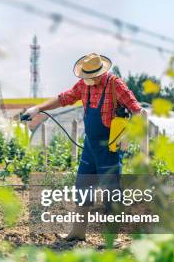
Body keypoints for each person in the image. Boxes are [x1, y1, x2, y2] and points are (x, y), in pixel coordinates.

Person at [21, 53, 146, 240]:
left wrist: (128, 134)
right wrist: (38, 108)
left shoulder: (115, 85)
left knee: (111, 191)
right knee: (83, 185)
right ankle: (78, 232)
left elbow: (140, 112)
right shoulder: (84, 86)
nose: (88, 81)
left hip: (109, 147)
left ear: (100, 72)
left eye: (91, 77)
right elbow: (63, 98)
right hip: (90, 144)